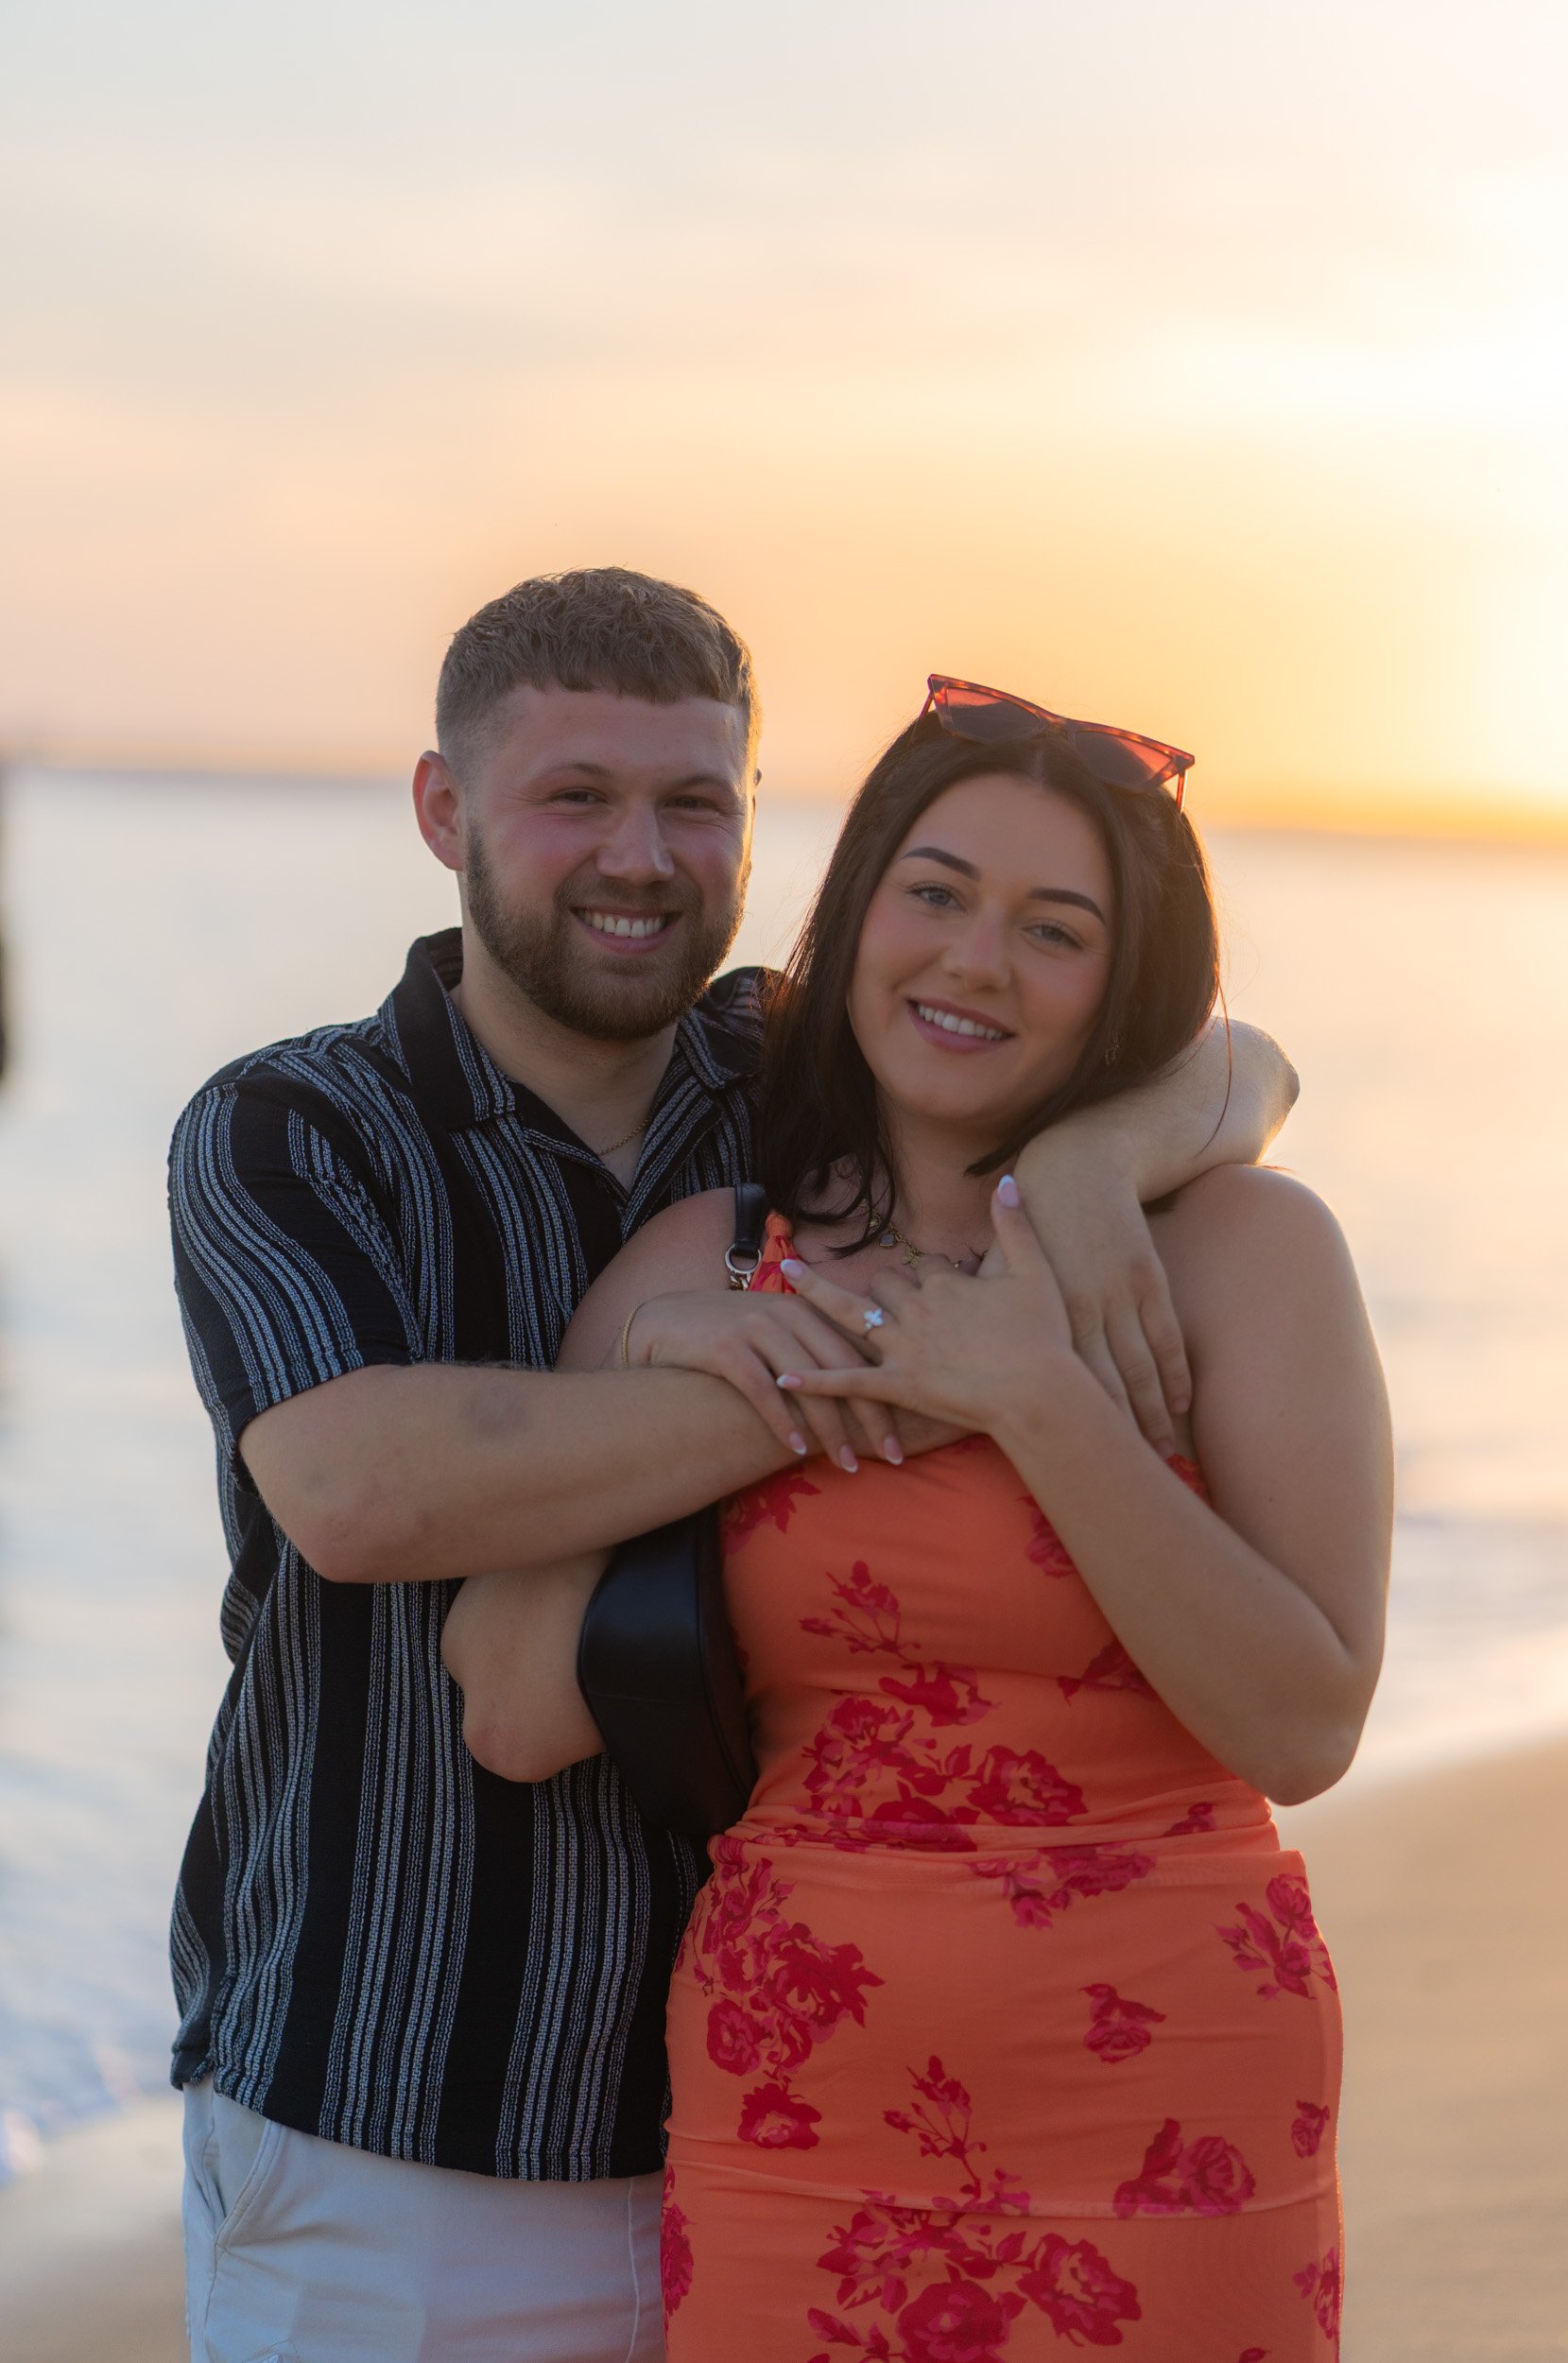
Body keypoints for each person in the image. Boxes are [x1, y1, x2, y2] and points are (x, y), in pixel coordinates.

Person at [167, 573, 1298, 2363]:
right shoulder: (294, 1128)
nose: (640, 857)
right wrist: (925, 1360)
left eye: (695, 802)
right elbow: (361, 1497)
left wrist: (1096, 1165)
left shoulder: (798, 1080)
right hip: (405, 2130)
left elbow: (1233, 1058)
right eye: (577, 797)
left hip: (780, 2107)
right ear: (445, 811)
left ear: (757, 825)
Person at [447, 677, 1389, 2359]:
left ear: (1126, 987)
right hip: (795, 2119)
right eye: (935, 893)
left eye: (1055, 930)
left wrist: (1039, 1395)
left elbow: (1305, 1723)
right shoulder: (706, 1261)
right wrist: (674, 1380)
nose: (974, 961)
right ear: (859, 912)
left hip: (1172, 2114)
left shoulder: (1246, 1256)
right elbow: (515, 1708)